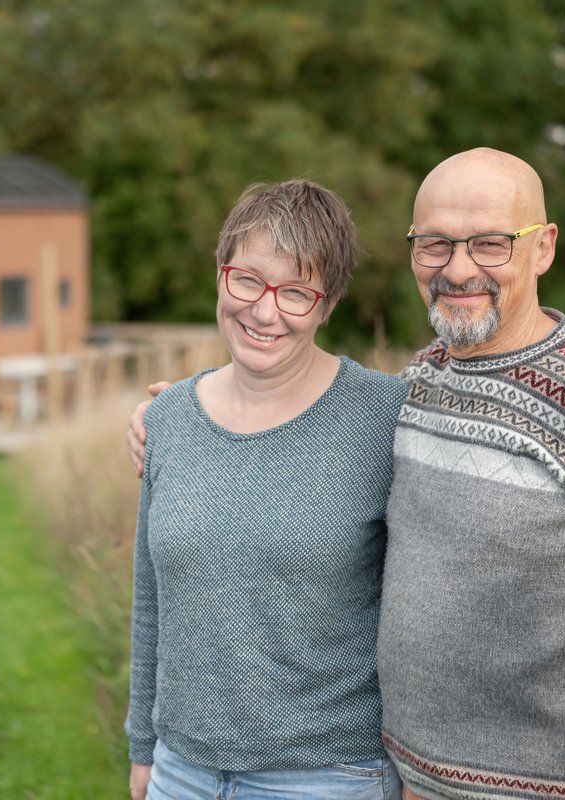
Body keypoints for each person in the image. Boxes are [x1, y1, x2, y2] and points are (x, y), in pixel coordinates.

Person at [129, 149, 565, 800]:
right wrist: (175, 416)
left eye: (490, 243)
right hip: (407, 776)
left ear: (542, 246)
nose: (457, 268)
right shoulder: (424, 382)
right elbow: (295, 432)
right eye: (434, 244)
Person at [127, 179, 405, 800]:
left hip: (328, 777)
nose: (263, 310)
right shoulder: (168, 418)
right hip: (182, 772)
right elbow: (151, 599)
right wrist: (143, 749)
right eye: (247, 279)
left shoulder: (387, 420)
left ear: (328, 303)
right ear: (221, 275)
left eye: (296, 292)